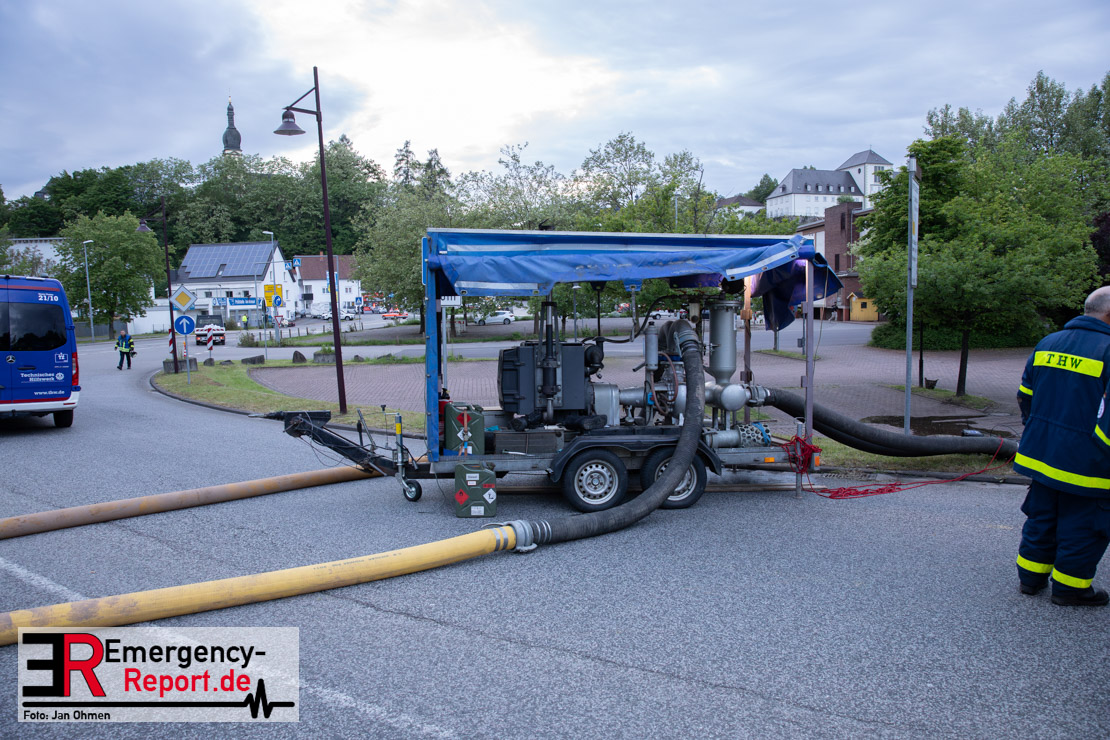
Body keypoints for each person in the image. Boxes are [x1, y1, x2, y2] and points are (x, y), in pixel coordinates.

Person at [1014, 286, 1110, 606]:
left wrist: (1039, 432)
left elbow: (1025, 396)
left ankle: (1030, 579)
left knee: (1042, 518)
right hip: (1088, 463)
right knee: (1084, 525)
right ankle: (1070, 589)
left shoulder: (1048, 343)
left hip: (1041, 455)